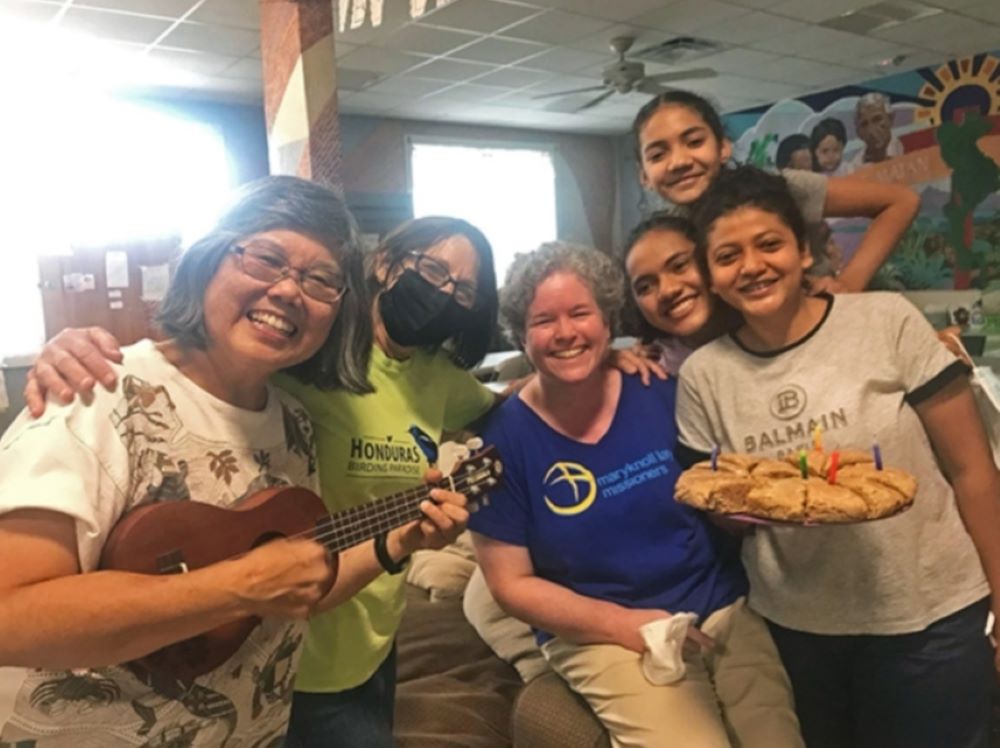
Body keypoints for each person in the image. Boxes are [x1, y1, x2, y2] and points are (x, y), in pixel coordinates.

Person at [0, 176, 470, 747]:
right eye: (266, 259)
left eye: (321, 280)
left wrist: (400, 541)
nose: (289, 290)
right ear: (206, 262)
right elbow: (9, 617)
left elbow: (289, 586)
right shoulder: (97, 392)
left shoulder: (295, 425)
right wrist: (236, 585)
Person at [675, 165, 1000, 748]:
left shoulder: (886, 320)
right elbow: (720, 504)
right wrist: (745, 509)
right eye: (727, 256)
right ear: (712, 278)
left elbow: (973, 471)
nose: (751, 266)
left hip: (931, 616)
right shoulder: (704, 376)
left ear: (803, 251)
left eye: (769, 244)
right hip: (797, 629)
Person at [469, 242, 804, 748]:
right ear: (521, 335)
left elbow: (719, 492)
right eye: (543, 320)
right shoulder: (500, 444)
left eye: (580, 313)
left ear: (608, 322)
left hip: (719, 607)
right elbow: (510, 584)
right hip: (601, 631)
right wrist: (627, 625)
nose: (565, 332)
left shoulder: (662, 390)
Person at [632, 89, 920, 294]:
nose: (679, 162)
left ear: (723, 147)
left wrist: (848, 286)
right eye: (658, 155)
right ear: (644, 175)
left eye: (694, 142)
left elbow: (901, 200)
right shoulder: (667, 232)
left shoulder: (779, 188)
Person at [848, 92, 903, 170]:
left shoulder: (909, 147)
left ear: (890, 118)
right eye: (864, 124)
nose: (871, 130)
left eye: (877, 119)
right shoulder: (855, 168)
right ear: (859, 133)